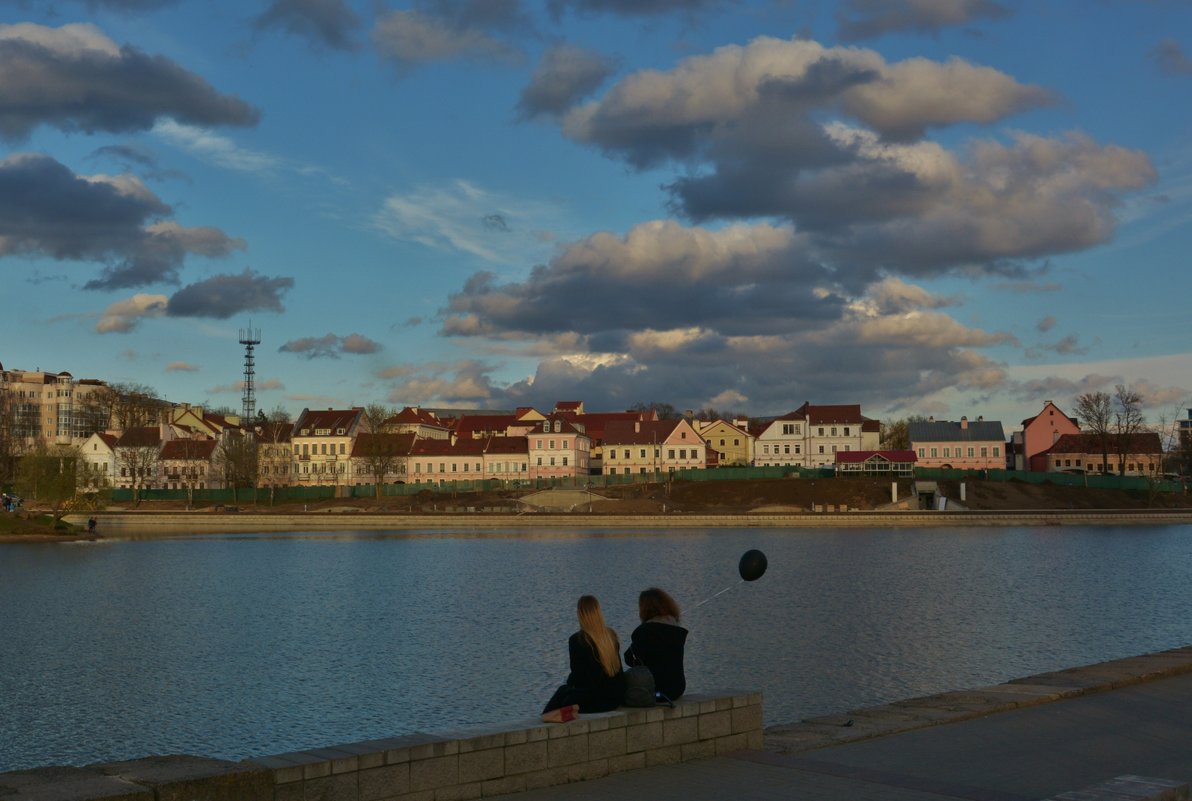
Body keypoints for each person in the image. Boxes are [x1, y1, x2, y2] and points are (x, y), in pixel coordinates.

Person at [542, 595, 625, 722]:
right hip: (614, 699)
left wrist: (568, 687)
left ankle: (549, 717)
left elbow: (578, 676)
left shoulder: (577, 640)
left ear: (580, 614)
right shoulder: (610, 636)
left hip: (594, 700)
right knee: (566, 693)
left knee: (562, 694)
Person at [624, 587, 688, 701]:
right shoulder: (676, 630)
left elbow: (630, 658)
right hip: (677, 689)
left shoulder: (644, 631)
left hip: (656, 689)